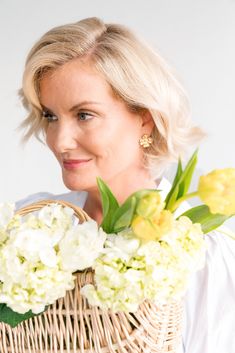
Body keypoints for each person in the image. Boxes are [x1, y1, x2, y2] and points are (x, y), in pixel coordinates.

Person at [16, 17, 235, 353]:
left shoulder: (203, 254)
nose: (59, 141)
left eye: (84, 115)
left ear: (144, 118)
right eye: (50, 116)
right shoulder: (28, 227)